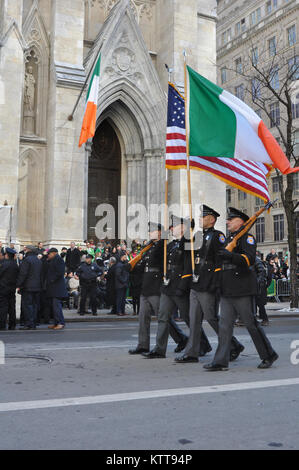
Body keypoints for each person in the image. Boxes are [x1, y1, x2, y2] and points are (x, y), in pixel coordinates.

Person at [204, 207, 278, 371]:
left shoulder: (247, 238)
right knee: (224, 326)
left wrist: (230, 255)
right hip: (227, 288)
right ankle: (220, 361)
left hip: (242, 287)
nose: (228, 221)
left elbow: (249, 259)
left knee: (251, 324)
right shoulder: (229, 239)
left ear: (241, 222)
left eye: (231, 219)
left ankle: (268, 354)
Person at [175, 205, 244, 364]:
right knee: (194, 320)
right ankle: (192, 353)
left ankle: (233, 345)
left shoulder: (217, 236)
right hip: (196, 283)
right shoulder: (199, 235)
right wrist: (187, 231)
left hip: (208, 284)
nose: (200, 219)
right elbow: (184, 250)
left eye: (203, 216)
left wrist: (216, 283)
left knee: (212, 318)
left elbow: (221, 261)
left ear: (211, 219)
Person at [143, 215, 211, 359]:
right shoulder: (172, 244)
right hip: (168, 286)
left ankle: (203, 344)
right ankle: (159, 349)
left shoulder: (190, 242)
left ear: (184, 227)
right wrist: (164, 238)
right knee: (163, 317)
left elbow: (188, 266)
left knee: (189, 318)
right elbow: (156, 257)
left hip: (180, 286)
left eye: (175, 225)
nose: (171, 228)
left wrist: (183, 285)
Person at [129, 222, 192, 355]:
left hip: (156, 286)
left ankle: (181, 338)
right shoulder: (149, 247)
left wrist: (163, 237)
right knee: (143, 318)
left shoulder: (163, 246)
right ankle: (143, 345)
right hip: (146, 286)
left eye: (152, 231)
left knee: (163, 317)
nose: (149, 233)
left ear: (159, 233)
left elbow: (162, 259)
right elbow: (143, 265)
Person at [16, 245, 42, 330]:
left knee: (27, 305)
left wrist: (19, 284)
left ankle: (29, 323)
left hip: (28, 287)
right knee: (34, 305)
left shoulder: (27, 260)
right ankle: (33, 323)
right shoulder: (38, 261)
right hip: (37, 286)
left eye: (26, 249)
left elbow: (23, 274)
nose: (25, 251)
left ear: (29, 250)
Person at [45, 248, 68, 330]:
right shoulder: (52, 260)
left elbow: (60, 272)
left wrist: (51, 279)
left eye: (49, 254)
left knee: (57, 306)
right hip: (53, 288)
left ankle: (60, 323)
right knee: (54, 307)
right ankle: (56, 322)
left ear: (54, 253)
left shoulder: (59, 260)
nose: (48, 255)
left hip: (57, 288)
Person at [0, 248, 19, 330]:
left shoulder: (3, 264)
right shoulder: (15, 265)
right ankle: (12, 324)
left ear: (6, 255)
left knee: (3, 307)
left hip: (3, 288)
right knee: (12, 307)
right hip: (12, 288)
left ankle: (2, 325)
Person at [254, 255, 269, 326]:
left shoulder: (256, 260)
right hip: (254, 286)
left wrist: (257, 282)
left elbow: (261, 271)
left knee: (260, 304)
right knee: (253, 304)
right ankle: (253, 319)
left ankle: (265, 319)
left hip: (259, 287)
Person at [114, 251, 130, 316]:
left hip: (123, 284)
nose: (126, 258)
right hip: (120, 285)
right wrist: (124, 281)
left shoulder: (123, 264)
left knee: (123, 299)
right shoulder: (119, 265)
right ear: (122, 257)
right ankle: (119, 311)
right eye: (125, 257)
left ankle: (122, 311)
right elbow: (118, 275)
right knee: (120, 299)